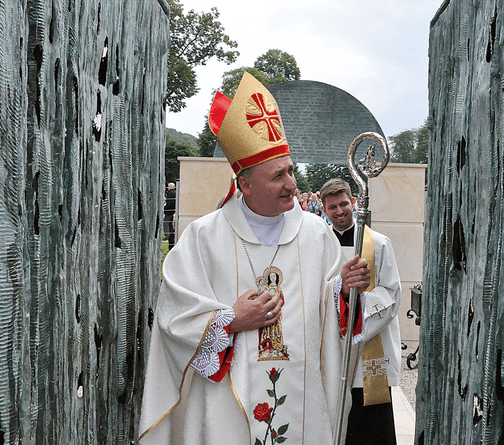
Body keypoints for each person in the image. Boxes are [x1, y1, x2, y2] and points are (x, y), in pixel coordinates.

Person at [138, 72, 370, 445]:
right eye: (278, 176)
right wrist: (228, 321)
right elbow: (173, 318)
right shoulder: (204, 238)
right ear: (245, 185)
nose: (292, 184)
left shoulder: (316, 234)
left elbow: (331, 312)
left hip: (303, 403)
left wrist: (344, 291)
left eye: (291, 171)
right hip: (225, 407)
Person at [320, 177, 402, 445]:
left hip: (369, 343)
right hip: (331, 345)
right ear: (323, 208)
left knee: (372, 428)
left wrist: (356, 309)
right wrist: (338, 298)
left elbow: (391, 293)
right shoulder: (318, 245)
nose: (339, 211)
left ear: (353, 202)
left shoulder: (378, 243)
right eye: (332, 207)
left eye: (343, 203)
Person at [164, 182, 176, 249]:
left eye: (168, 186)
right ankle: (171, 233)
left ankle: (167, 235)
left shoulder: (170, 193)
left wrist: (165, 208)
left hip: (169, 210)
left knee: (166, 222)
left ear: (171, 187)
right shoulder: (174, 192)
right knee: (170, 223)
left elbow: (169, 202)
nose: (167, 187)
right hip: (172, 210)